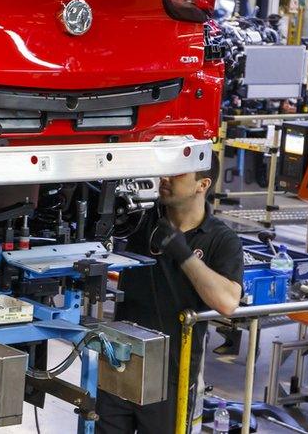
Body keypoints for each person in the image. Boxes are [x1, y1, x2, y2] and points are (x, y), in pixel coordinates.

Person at [96, 156, 243, 434]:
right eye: (165, 171)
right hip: (119, 360)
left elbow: (227, 302)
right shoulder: (138, 219)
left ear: (203, 184)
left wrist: (183, 253)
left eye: (177, 174)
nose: (165, 178)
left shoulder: (221, 239)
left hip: (172, 374)